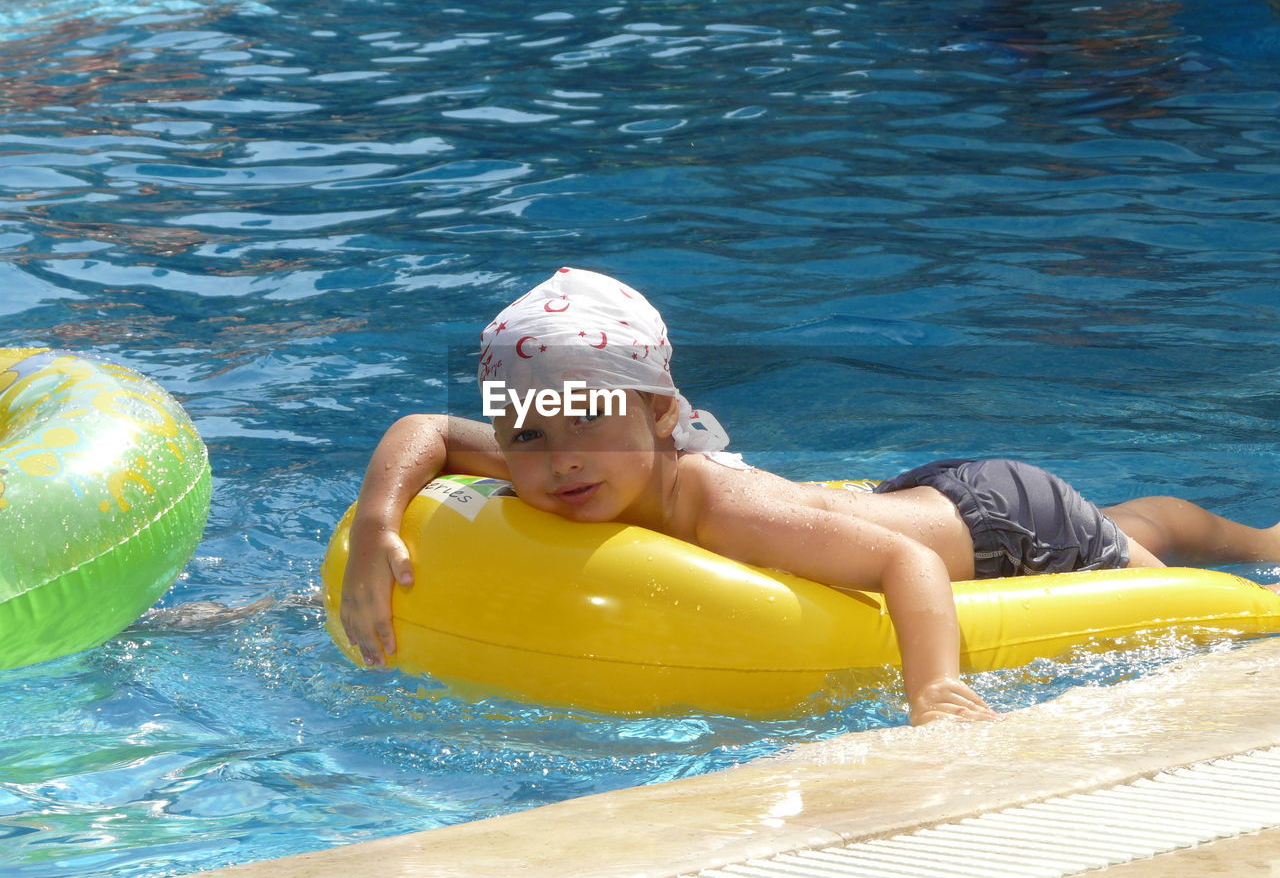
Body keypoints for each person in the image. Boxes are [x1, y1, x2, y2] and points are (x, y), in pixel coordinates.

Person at [340, 267, 1280, 725]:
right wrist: (382, 523)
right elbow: (424, 430)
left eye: (586, 425)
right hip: (918, 492)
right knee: (1130, 519)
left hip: (1009, 526)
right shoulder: (566, 462)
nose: (555, 464)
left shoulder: (717, 503)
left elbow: (906, 561)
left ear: (663, 419)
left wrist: (937, 689)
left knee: (1137, 558)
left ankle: (1253, 543)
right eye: (527, 437)